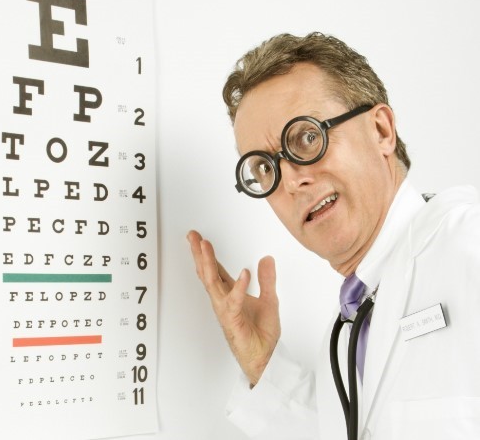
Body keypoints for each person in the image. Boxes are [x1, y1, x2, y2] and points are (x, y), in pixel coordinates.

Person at [187, 32, 480, 440]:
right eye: (265, 169)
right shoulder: (348, 332)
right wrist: (263, 364)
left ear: (381, 130)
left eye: (307, 137)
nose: (291, 182)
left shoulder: (468, 245)